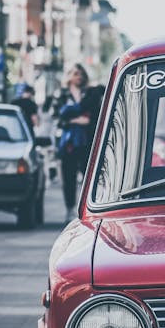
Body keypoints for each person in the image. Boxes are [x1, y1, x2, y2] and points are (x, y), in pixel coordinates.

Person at [53, 64, 93, 223]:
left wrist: (73, 118)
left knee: (87, 177)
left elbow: (93, 115)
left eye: (81, 73)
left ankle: (87, 209)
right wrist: (77, 120)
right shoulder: (61, 94)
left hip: (85, 141)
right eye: (76, 73)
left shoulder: (88, 93)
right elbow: (57, 117)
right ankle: (70, 209)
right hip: (68, 143)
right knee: (68, 178)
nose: (79, 77)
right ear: (69, 75)